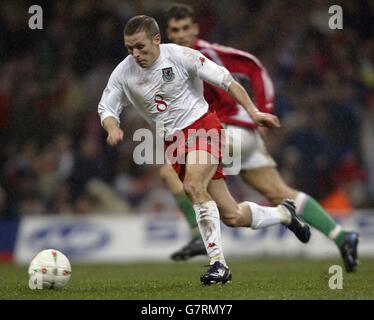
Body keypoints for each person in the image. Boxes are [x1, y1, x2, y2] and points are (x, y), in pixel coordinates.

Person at [98, 15, 311, 285]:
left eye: (140, 47)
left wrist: (254, 111)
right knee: (232, 216)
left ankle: (219, 265)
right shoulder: (123, 72)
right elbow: (107, 106)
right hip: (173, 143)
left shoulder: (180, 56)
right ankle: (284, 214)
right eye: (129, 48)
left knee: (192, 186)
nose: (135, 54)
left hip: (203, 127)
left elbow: (226, 80)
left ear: (156, 39)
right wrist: (112, 127)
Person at [160, 4, 359, 273]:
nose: (182, 34)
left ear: (196, 28)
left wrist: (262, 109)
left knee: (172, 172)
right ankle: (341, 236)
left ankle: (199, 236)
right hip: (241, 138)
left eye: (186, 28)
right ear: (168, 34)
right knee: (279, 192)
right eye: (175, 30)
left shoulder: (207, 53)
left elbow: (253, 67)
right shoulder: (171, 61)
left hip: (231, 131)